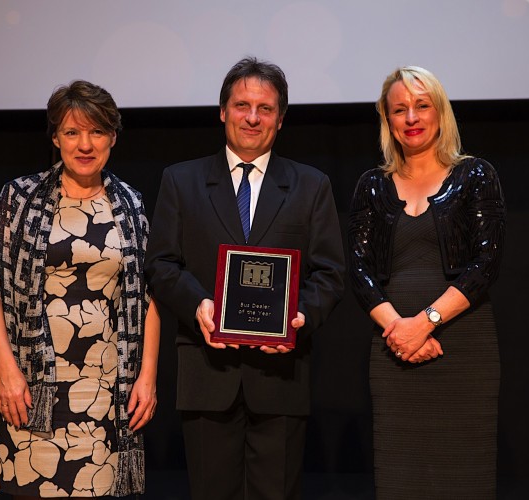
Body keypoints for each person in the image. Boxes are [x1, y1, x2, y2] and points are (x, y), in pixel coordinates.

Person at [144, 56, 345, 500]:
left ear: (280, 118)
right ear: (222, 111)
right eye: (241, 105)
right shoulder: (181, 181)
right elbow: (161, 264)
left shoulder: (311, 185)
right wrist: (198, 306)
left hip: (281, 378)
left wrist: (298, 317)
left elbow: (330, 274)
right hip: (206, 373)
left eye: (265, 108)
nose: (252, 117)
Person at [0, 80, 159, 498]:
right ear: (56, 137)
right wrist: (7, 370)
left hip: (105, 390)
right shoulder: (19, 197)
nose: (85, 144)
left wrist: (147, 376)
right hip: (28, 384)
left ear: (113, 137)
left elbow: (149, 299)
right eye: (72, 132)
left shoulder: (131, 205)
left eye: (97, 131)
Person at [348, 66, 506, 499]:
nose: (412, 117)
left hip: (463, 345)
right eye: (400, 109)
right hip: (394, 347)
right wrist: (400, 330)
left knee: (465, 475)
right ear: (388, 119)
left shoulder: (476, 175)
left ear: (440, 112)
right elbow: (358, 269)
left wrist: (425, 323)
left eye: (422, 105)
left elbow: (487, 262)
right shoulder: (372, 185)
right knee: (400, 475)